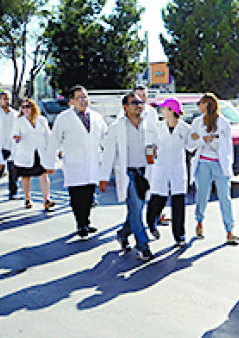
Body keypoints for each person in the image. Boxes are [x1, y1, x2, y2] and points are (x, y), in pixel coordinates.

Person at [100, 93, 154, 261]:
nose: (139, 105)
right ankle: (143, 246)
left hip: (145, 172)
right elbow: (108, 153)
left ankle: (122, 234)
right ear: (125, 107)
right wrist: (103, 177)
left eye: (140, 102)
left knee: (136, 210)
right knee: (137, 209)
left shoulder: (149, 125)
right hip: (128, 173)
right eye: (134, 103)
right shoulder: (117, 127)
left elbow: (154, 146)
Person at [51, 86, 106, 237]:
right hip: (74, 163)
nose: (84, 101)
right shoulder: (64, 118)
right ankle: (80, 224)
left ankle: (86, 222)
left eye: (85, 97)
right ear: (71, 102)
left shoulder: (96, 117)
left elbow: (104, 137)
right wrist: (52, 162)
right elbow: (54, 139)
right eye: (79, 98)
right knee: (77, 195)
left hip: (92, 162)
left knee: (89, 195)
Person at [188, 93, 239, 245]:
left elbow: (228, 147)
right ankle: (199, 222)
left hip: (219, 164)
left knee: (225, 197)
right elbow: (190, 143)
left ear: (207, 105)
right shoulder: (197, 122)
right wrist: (203, 140)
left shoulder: (223, 123)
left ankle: (230, 230)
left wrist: (228, 164)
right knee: (202, 195)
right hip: (203, 162)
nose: (198, 106)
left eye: (201, 103)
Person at [144, 98, 189, 248]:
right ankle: (151, 223)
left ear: (172, 111)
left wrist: (197, 139)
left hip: (177, 169)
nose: (161, 111)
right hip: (161, 167)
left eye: (164, 109)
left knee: (178, 203)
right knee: (158, 199)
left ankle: (179, 235)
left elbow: (191, 147)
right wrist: (149, 157)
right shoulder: (157, 127)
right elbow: (149, 145)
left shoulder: (184, 128)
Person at [13, 98, 56, 211]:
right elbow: (14, 135)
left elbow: (48, 135)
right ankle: (27, 199)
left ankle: (47, 199)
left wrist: (52, 150)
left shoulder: (42, 120)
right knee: (26, 176)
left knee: (43, 175)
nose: (25, 109)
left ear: (33, 108)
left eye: (27, 106)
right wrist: (17, 138)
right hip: (25, 153)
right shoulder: (19, 121)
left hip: (40, 152)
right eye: (23, 107)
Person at [0, 91, 20, 200]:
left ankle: (13, 192)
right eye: (4, 98)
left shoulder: (15, 114)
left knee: (14, 172)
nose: (7, 101)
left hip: (12, 146)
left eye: (8, 99)